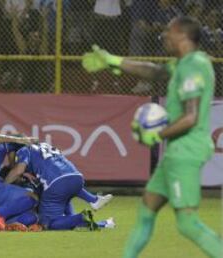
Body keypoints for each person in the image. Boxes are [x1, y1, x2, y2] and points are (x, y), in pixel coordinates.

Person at [82, 16, 222, 257]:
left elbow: (191, 117)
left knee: (187, 223)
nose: (164, 37)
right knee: (146, 210)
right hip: (175, 153)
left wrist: (158, 134)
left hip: (186, 153)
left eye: (168, 32)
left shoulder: (194, 65)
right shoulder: (183, 63)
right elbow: (155, 71)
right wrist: (113, 60)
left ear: (181, 34)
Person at [5, 142, 114, 230]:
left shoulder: (23, 150)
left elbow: (18, 170)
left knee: (48, 224)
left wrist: (2, 186)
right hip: (75, 177)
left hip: (56, 184)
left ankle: (81, 217)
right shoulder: (44, 145)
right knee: (68, 221)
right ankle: (102, 217)